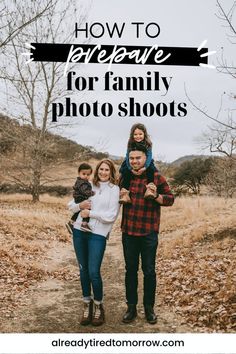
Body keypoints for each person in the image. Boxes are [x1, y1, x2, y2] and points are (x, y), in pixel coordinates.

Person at [120, 142, 174, 324]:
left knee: (149, 271)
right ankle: (131, 308)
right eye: (131, 158)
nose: (134, 161)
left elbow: (170, 198)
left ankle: (149, 308)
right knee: (130, 271)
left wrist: (157, 197)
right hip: (129, 232)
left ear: (146, 158)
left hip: (149, 232)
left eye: (138, 158)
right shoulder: (125, 177)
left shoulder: (156, 177)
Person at [68, 159, 120, 326]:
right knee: (83, 270)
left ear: (111, 172)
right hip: (79, 231)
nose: (103, 172)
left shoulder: (114, 190)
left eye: (107, 170)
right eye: (101, 169)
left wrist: (91, 213)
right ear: (97, 171)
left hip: (98, 234)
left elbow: (111, 216)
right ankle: (86, 304)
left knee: (93, 272)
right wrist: (79, 206)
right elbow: (71, 205)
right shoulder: (88, 185)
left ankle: (98, 306)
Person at [119, 123, 158, 204]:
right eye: (135, 134)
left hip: (146, 161)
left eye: (140, 134)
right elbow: (127, 155)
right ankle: (125, 193)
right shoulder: (130, 143)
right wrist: (130, 168)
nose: (138, 136)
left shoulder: (148, 143)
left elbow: (149, 156)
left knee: (151, 170)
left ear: (144, 134)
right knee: (125, 171)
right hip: (130, 161)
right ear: (132, 135)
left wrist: (145, 167)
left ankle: (150, 189)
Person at [66, 163, 95, 234]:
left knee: (78, 211)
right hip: (81, 198)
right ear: (79, 173)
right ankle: (84, 224)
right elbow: (84, 191)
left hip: (79, 197)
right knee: (87, 209)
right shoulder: (82, 183)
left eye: (88, 175)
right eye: (84, 174)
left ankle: (71, 222)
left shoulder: (82, 181)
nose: (86, 176)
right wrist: (91, 193)